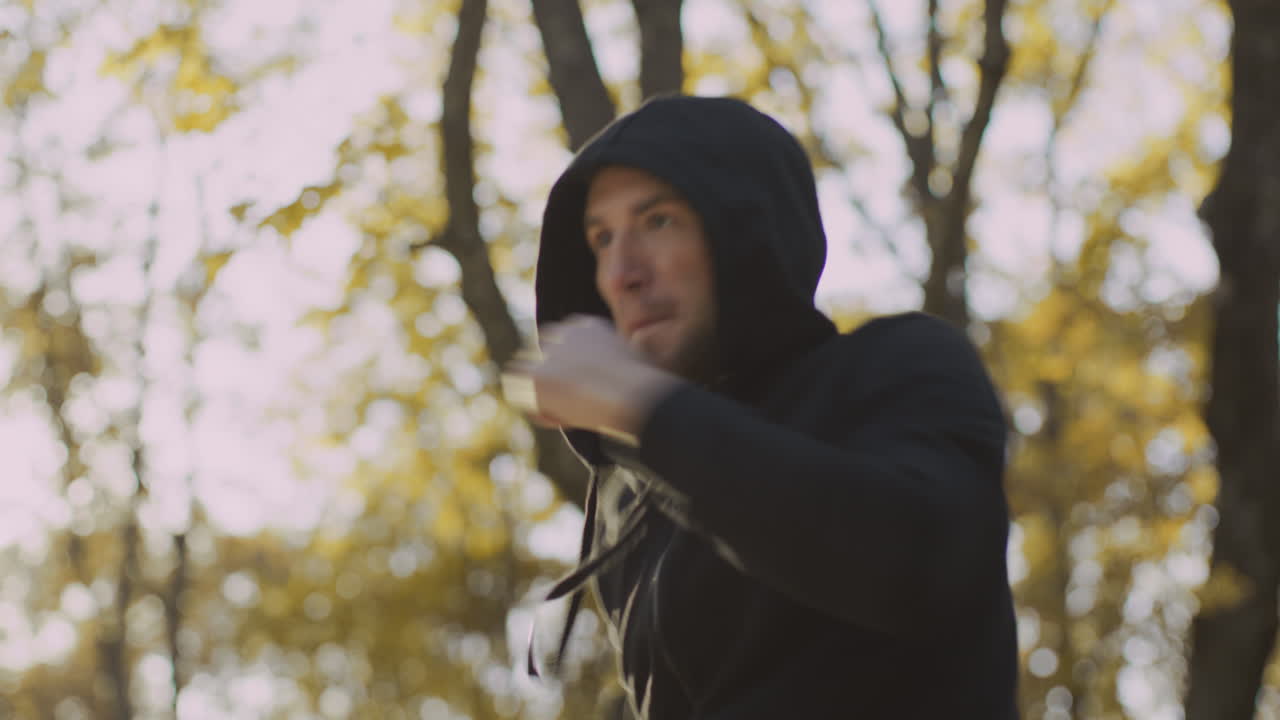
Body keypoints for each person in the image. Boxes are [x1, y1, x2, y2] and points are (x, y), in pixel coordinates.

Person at [504, 95, 1020, 719]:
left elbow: (918, 559)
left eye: (658, 220)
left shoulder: (897, 368)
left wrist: (643, 410)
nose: (621, 272)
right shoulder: (633, 490)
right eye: (602, 238)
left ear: (745, 229)